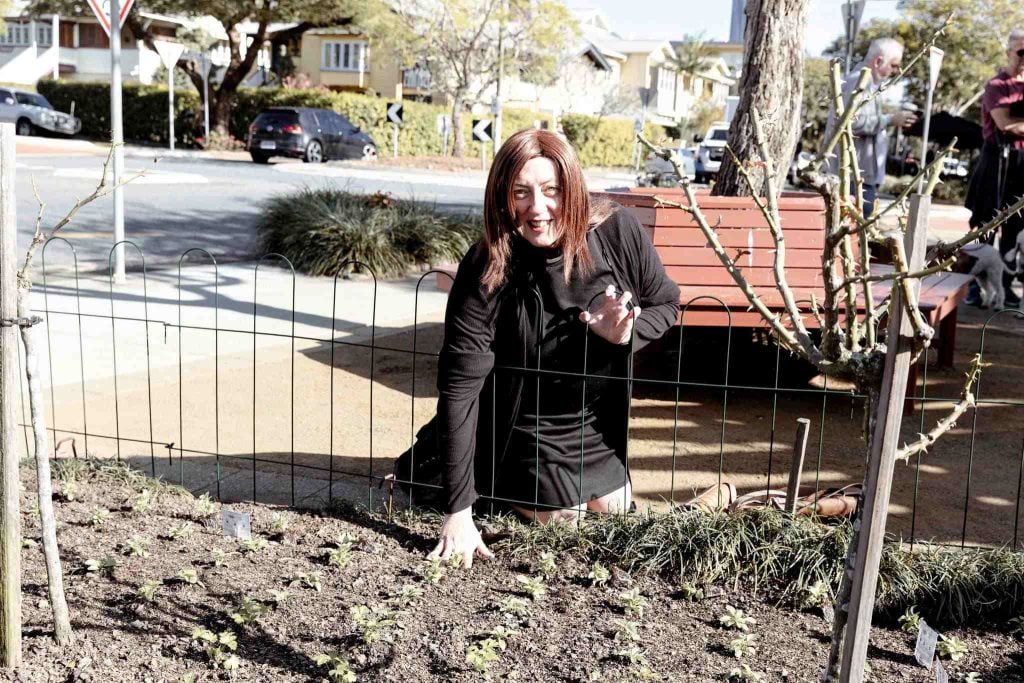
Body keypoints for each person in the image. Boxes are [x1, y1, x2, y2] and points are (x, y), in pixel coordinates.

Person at [427, 128, 680, 567]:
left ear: (573, 189)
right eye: (520, 192)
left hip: (588, 422)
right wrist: (458, 513)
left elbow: (666, 302)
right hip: (516, 423)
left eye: (551, 191)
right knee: (568, 518)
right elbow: (460, 389)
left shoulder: (617, 231)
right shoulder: (487, 266)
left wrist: (624, 334)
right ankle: (477, 481)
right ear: (502, 198)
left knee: (616, 515)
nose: (537, 208)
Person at [965, 29, 1024, 308]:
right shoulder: (997, 85)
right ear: (1009, 53)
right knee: (985, 224)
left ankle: (1006, 288)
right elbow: (1005, 124)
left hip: (1021, 162)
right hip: (996, 159)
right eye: (1021, 52)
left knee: (1016, 225)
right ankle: (972, 288)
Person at [826, 38, 918, 216]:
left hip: (859, 175)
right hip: (852, 177)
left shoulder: (868, 84)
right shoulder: (859, 82)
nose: (895, 71)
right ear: (878, 61)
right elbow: (852, 122)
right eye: (893, 65)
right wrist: (890, 119)